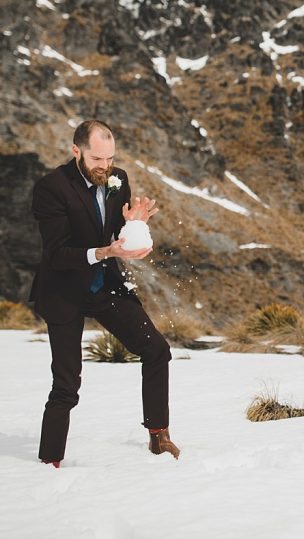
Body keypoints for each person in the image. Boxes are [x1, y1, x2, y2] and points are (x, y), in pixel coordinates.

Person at [30, 119, 180, 467]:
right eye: (97, 159)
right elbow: (56, 253)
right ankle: (50, 461)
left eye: (110, 159)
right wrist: (104, 252)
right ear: (76, 151)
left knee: (156, 350)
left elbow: (115, 233)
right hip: (63, 288)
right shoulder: (50, 188)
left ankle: (159, 437)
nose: (105, 167)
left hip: (103, 285)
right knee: (67, 384)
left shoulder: (119, 179)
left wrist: (134, 224)